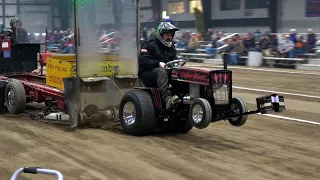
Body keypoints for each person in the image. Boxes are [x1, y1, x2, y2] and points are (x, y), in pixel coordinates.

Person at [138, 22, 181, 109]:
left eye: (171, 35)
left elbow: (174, 58)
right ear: (161, 34)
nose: (169, 37)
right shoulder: (150, 43)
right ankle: (167, 99)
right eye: (167, 35)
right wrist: (157, 63)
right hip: (147, 73)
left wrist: (177, 63)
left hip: (164, 71)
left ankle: (181, 96)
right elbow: (142, 60)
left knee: (180, 72)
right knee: (161, 71)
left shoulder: (171, 46)